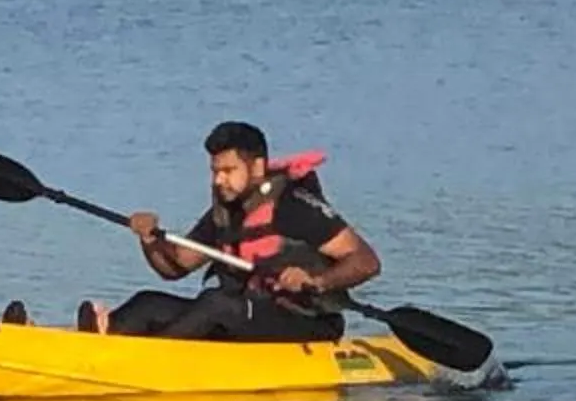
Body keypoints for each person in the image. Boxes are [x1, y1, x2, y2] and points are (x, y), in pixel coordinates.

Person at [83, 121, 382, 341]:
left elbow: (366, 262)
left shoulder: (295, 206)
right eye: (215, 171)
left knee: (217, 303)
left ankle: (151, 358)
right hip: (243, 316)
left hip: (306, 323)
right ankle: (102, 343)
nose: (218, 180)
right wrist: (150, 240)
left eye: (228, 171)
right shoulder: (225, 212)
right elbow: (175, 268)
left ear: (257, 167)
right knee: (148, 303)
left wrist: (316, 281)